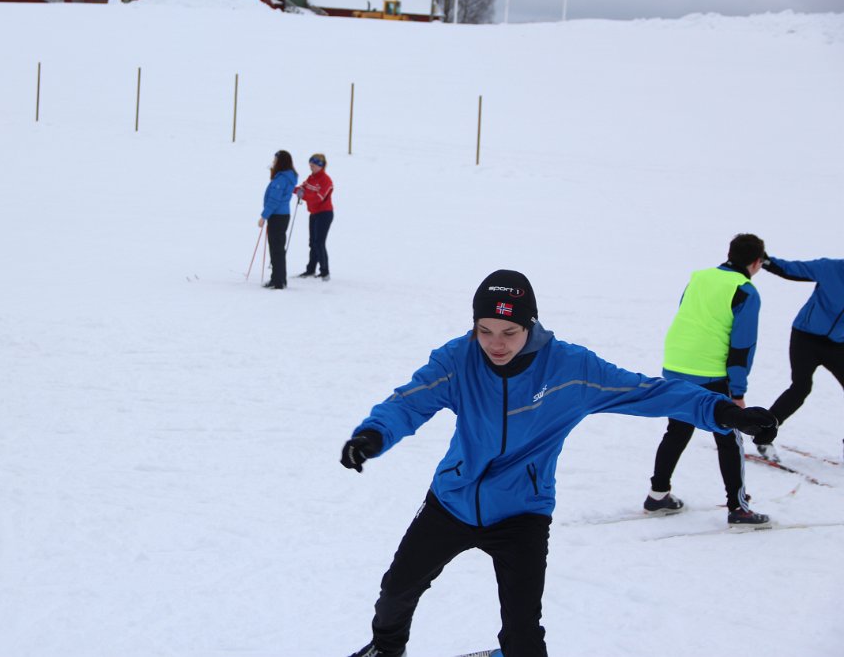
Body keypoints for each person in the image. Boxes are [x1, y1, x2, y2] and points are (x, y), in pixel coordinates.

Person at [341, 269, 777, 657]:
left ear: (530, 325)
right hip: (452, 500)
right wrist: (373, 436)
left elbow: (648, 392)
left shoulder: (570, 369)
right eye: (484, 330)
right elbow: (409, 402)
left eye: (509, 332)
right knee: (396, 591)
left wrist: (724, 412)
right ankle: (386, 649)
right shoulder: (458, 359)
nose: (495, 344)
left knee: (524, 632)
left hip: (522, 513)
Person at [644, 233, 770, 525]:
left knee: (678, 429)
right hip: (710, 371)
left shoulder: (700, 277)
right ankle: (738, 508)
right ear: (756, 262)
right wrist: (738, 393)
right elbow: (742, 346)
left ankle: (657, 495)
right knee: (729, 437)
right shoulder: (745, 290)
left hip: (676, 364)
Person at [755, 254, 844, 462]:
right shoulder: (831, 268)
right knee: (800, 388)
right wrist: (765, 260)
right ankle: (763, 434)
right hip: (806, 338)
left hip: (838, 345)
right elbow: (792, 269)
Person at [259, 150, 297, 290]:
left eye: (275, 160)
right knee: (277, 249)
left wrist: (264, 216)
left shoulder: (281, 179)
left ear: (281, 162)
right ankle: (278, 278)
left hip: (277, 216)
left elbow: (274, 200)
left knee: (276, 249)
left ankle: (278, 281)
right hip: (281, 215)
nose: (273, 162)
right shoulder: (285, 176)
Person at [294, 153, 334, 282]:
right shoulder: (311, 177)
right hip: (314, 214)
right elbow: (302, 188)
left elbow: (318, 198)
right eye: (310, 165)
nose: (311, 167)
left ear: (321, 166)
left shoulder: (326, 180)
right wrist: (293, 189)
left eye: (313, 165)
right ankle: (310, 270)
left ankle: (325, 272)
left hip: (325, 214)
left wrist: (303, 195)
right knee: (312, 242)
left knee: (319, 242)